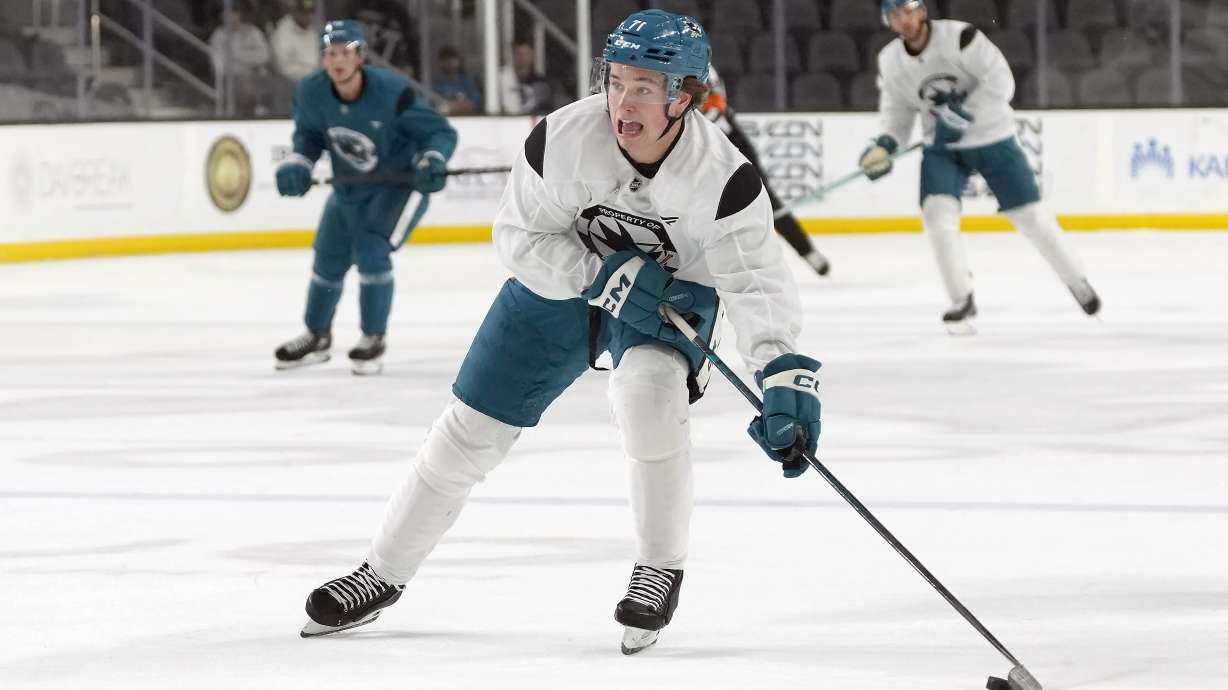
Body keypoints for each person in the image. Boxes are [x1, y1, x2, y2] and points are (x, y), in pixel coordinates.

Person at [298, 10, 822, 655]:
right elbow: (517, 239)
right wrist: (597, 275)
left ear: (683, 97)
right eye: (616, 81)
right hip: (557, 286)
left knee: (648, 394)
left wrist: (783, 373)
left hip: (673, 297)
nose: (622, 103)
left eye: (644, 88)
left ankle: (659, 567)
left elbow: (756, 282)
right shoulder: (561, 138)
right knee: (469, 431)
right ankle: (379, 573)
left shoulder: (727, 178)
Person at [862, 0, 1101, 334]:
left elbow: (1001, 81)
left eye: (907, 11)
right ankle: (961, 300)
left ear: (921, 12)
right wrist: (886, 145)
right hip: (942, 148)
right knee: (936, 213)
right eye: (895, 15)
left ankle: (1077, 280)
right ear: (889, 21)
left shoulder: (961, 37)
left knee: (1030, 217)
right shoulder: (890, 61)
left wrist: (963, 112)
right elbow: (897, 114)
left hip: (992, 137)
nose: (903, 20)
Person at [273, 20, 457, 375]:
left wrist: (432, 159)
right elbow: (309, 136)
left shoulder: (391, 91)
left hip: (399, 188)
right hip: (349, 189)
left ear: (360, 56)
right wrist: (299, 162)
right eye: (331, 54)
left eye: (345, 53)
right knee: (327, 258)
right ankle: (317, 335)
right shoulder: (312, 91)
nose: (337, 61)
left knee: (372, 249)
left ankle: (373, 338)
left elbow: (437, 132)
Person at [701, 65, 831, 276]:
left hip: (729, 141)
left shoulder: (701, 64)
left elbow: (717, 102)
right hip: (692, 145)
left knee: (763, 197)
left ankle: (807, 251)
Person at [208, 2, 273, 116]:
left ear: (240, 14)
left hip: (255, 75)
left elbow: (264, 56)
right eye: (226, 13)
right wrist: (247, 63)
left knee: (271, 82)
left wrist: (238, 55)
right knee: (245, 83)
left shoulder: (253, 31)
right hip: (231, 79)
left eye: (233, 12)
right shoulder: (218, 36)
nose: (228, 16)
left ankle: (263, 112)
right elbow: (219, 66)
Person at [498, 40, 553, 114]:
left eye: (526, 54)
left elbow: (546, 108)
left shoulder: (541, 82)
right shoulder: (501, 78)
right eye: (519, 54)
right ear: (512, 55)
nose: (522, 58)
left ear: (532, 55)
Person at [270, 0, 320, 83]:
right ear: (295, 12)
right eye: (304, 13)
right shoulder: (283, 32)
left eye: (310, 13)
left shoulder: (312, 32)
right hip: (289, 85)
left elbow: (317, 59)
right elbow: (283, 68)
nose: (308, 16)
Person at [433, 44, 482, 115]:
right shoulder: (437, 85)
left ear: (458, 61)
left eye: (452, 59)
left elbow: (475, 103)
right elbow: (436, 106)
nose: (449, 63)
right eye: (445, 60)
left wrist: (452, 106)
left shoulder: (467, 82)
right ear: (440, 63)